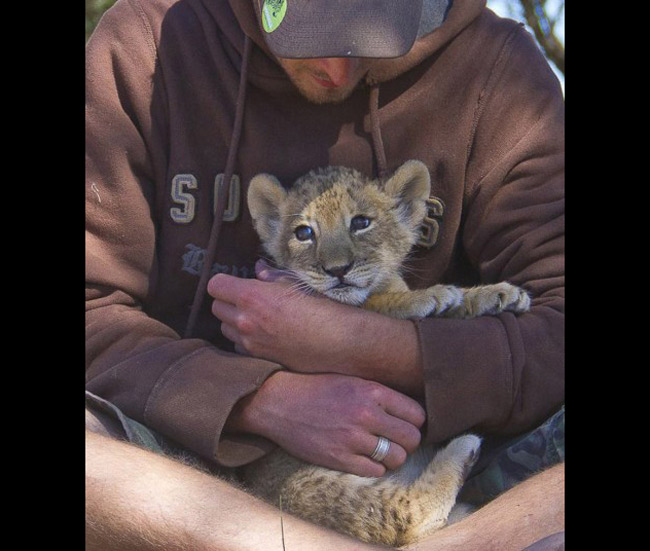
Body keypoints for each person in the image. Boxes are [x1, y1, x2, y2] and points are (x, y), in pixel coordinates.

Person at [85, 0, 565, 549]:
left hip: (451, 452)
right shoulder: (145, 44)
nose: (337, 68)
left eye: (372, 32)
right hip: (186, 464)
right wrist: (259, 400)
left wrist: (364, 346)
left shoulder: (496, 68)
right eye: (308, 32)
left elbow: (558, 320)